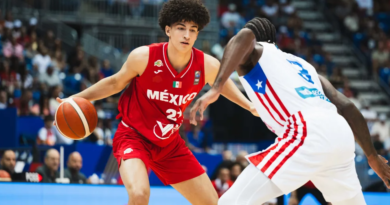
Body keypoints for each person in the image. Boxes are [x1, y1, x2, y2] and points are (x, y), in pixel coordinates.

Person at [55, 0, 257, 204]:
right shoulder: (144, 57)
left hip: (170, 144)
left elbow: (222, 84)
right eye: (181, 28)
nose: (187, 35)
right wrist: (74, 98)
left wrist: (249, 105)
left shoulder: (206, 65)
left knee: (211, 202)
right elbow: (115, 82)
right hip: (134, 137)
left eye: (193, 30)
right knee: (140, 194)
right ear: (168, 30)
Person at [191, 17, 390, 205]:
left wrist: (217, 87)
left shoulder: (259, 51)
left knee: (231, 202)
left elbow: (244, 35)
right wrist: (372, 156)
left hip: (308, 131)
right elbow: (347, 106)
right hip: (340, 134)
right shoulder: (305, 67)